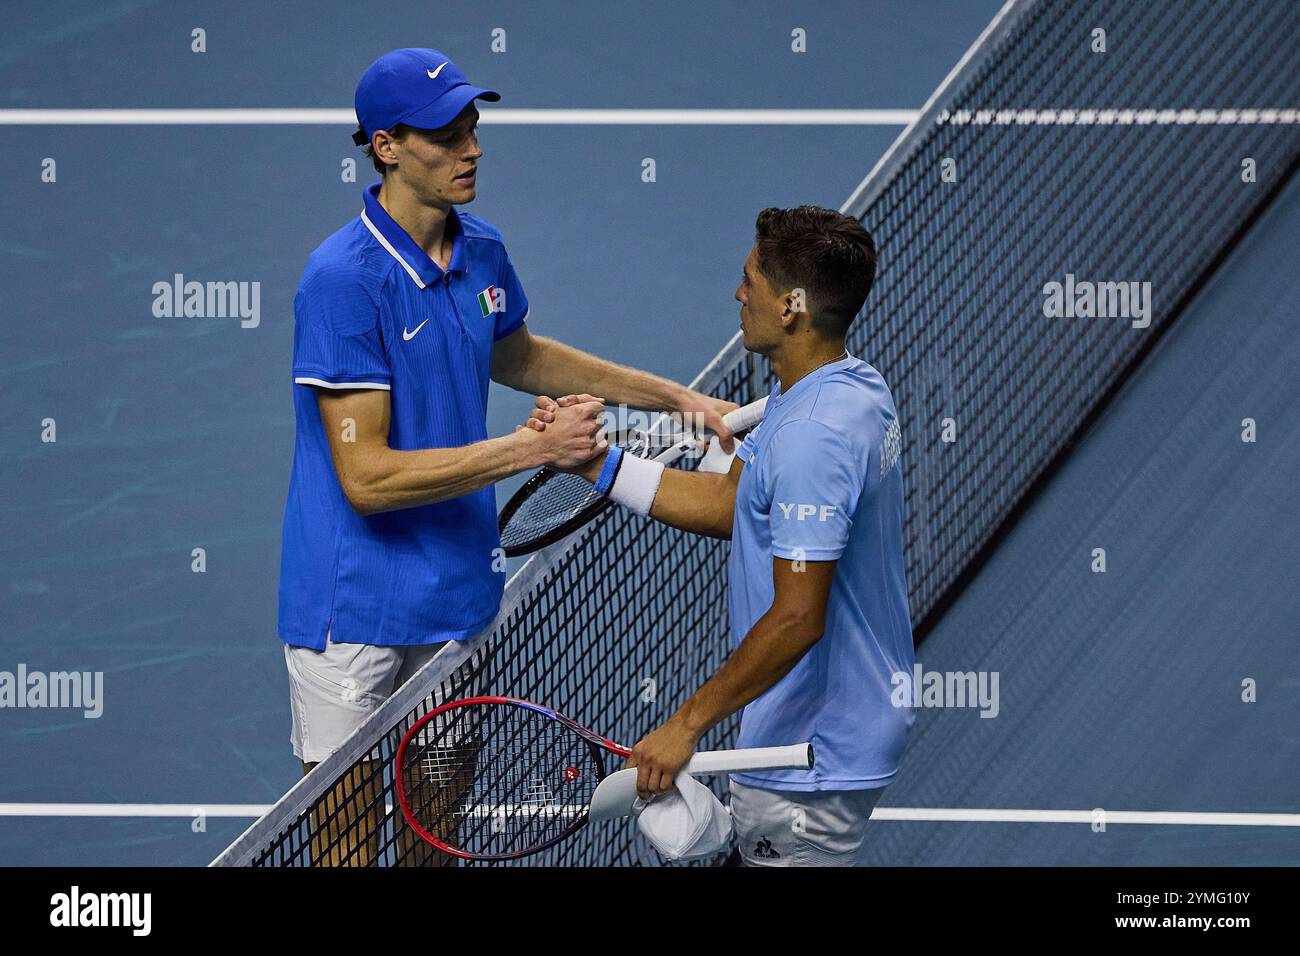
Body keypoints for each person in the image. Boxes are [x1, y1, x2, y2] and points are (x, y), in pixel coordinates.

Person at [278, 47, 736, 865]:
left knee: (436, 838)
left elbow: (517, 354)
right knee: (343, 850)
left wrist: (674, 397)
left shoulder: (480, 248)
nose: (472, 148)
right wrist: (532, 449)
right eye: (445, 136)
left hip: (457, 594)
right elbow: (368, 479)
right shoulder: (342, 281)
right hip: (353, 610)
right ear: (385, 146)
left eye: (473, 128)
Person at [532, 206, 913, 866]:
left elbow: (797, 618)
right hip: (842, 722)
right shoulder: (848, 387)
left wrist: (683, 727)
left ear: (790, 306)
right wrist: (596, 462)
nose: (739, 295)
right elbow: (727, 502)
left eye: (751, 281)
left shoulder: (809, 441)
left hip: (809, 758)